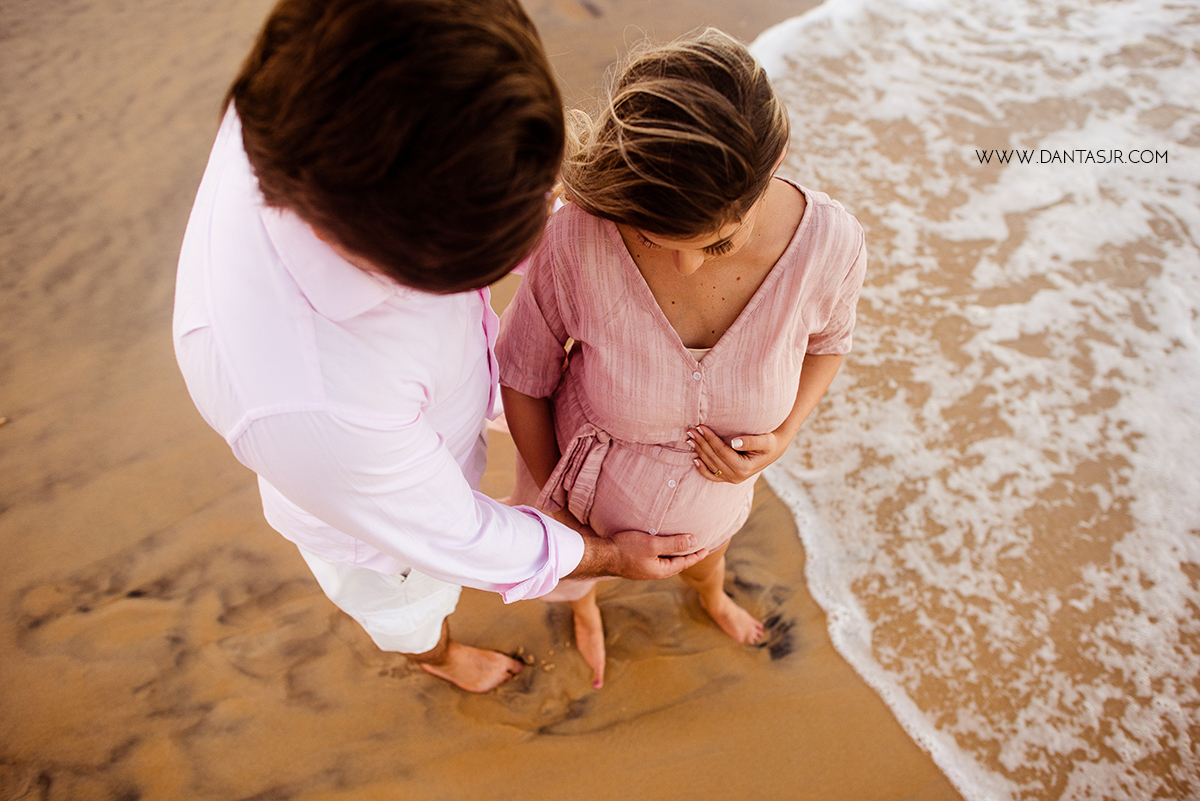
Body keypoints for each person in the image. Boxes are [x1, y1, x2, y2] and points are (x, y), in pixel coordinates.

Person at [172, 0, 708, 694]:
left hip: (434, 391)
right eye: (495, 251)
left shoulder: (321, 66)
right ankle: (441, 656)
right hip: (377, 533)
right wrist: (604, 556)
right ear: (406, 261)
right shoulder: (321, 411)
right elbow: (460, 536)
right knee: (411, 609)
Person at [496, 29, 867, 688]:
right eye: (652, 236)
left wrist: (784, 434)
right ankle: (584, 607)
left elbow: (830, 343)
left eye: (717, 245)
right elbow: (524, 378)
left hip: (717, 508)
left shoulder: (829, 244)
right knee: (575, 582)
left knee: (709, 557)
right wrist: (565, 517)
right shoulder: (580, 235)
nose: (687, 266)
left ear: (774, 162)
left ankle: (710, 593)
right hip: (578, 503)